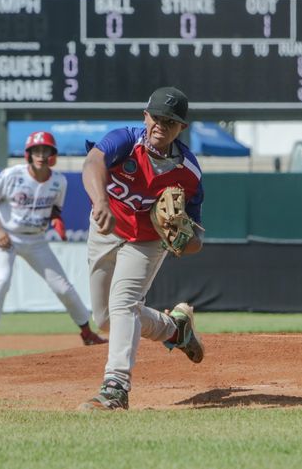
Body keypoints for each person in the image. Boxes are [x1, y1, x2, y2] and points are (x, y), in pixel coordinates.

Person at [78, 86, 205, 410]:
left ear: (181, 128)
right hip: (106, 226)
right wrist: (101, 201)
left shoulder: (188, 172)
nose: (161, 125)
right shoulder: (124, 140)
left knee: (124, 303)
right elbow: (92, 164)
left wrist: (180, 240)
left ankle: (115, 388)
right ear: (145, 116)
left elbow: (196, 241)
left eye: (171, 121)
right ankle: (174, 330)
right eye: (157, 117)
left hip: (148, 241)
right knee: (105, 319)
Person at [0, 131, 107, 351]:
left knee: (63, 287)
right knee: (2, 280)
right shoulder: (12, 175)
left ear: (52, 155)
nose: (41, 155)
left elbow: (55, 209)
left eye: (46, 150)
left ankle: (87, 333)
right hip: (8, 236)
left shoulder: (59, 181)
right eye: (36, 150)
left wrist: (57, 221)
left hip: (36, 239)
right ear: (29, 154)